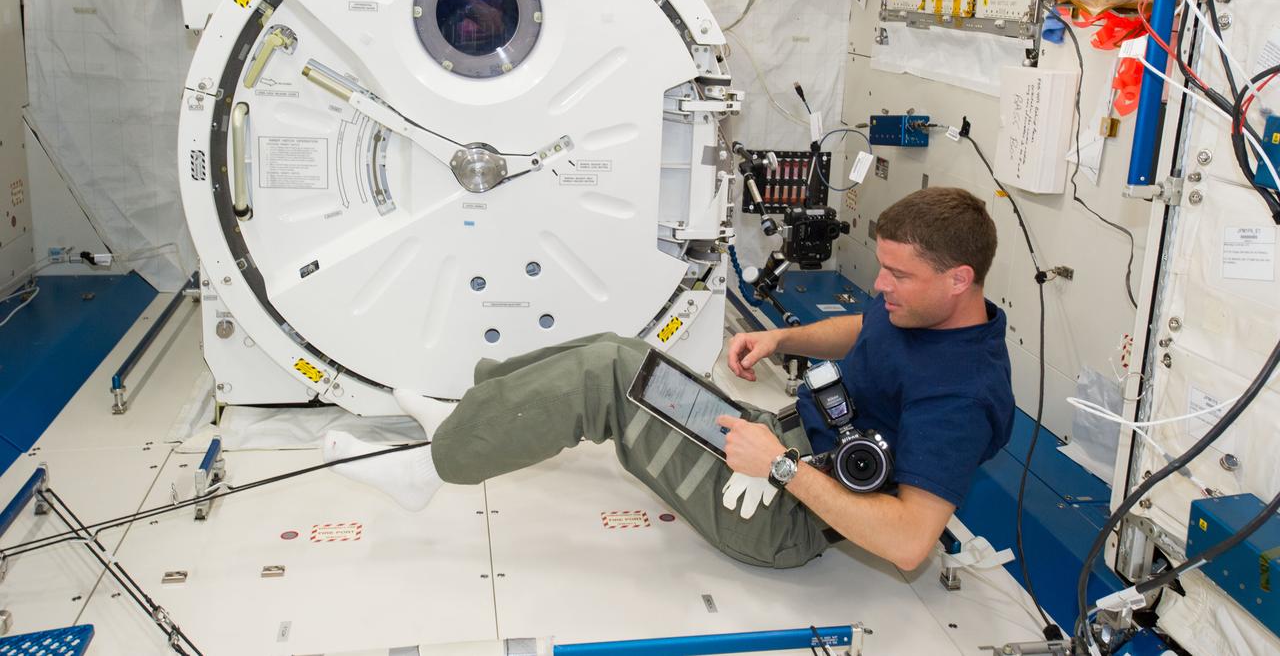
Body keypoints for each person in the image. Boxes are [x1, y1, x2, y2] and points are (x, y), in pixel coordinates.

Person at [325, 187, 1014, 571]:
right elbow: (867, 328)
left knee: (605, 377)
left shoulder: (961, 396)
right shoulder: (920, 306)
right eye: (883, 269)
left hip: (780, 517)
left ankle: (435, 468)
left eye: (898, 275)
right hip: (780, 446)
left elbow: (907, 541)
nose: (881, 285)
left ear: (960, 279)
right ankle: (467, 412)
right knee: (619, 349)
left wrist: (781, 469)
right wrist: (783, 336)